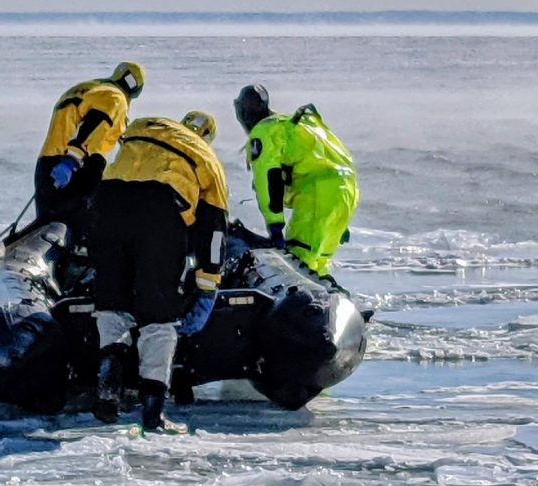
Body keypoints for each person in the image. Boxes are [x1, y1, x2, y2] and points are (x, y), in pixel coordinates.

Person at [89, 111, 228, 431]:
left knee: (112, 304)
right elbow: (215, 230)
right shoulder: (206, 157)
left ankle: (109, 387)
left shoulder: (144, 127)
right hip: (160, 211)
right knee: (159, 315)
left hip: (107, 203)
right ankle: (153, 414)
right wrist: (208, 283)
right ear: (206, 136)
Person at [234, 84, 359, 277]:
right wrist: (340, 216)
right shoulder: (298, 124)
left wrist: (275, 226)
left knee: (299, 262)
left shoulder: (265, 131)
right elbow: (332, 163)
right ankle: (333, 301)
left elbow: (268, 180)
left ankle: (310, 304)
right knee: (319, 262)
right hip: (347, 194)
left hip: (318, 194)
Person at [33, 62, 145, 247]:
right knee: (83, 226)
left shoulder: (86, 89)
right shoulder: (115, 97)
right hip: (79, 165)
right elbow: (95, 124)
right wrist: (72, 159)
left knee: (48, 226)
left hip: (47, 162)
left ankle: (24, 264)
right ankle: (78, 266)